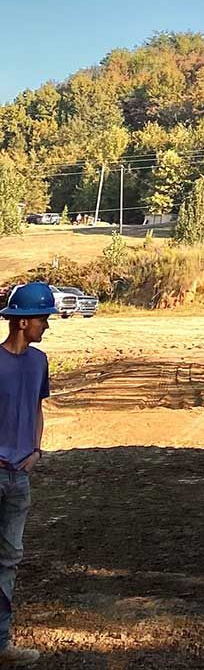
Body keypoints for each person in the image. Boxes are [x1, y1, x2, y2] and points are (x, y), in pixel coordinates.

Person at [0, 282, 57, 666]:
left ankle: (1, 645)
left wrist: (36, 450)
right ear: (21, 322)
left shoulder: (39, 362)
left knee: (9, 559)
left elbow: (37, 408)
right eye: (42, 319)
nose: (46, 326)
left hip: (20, 477)